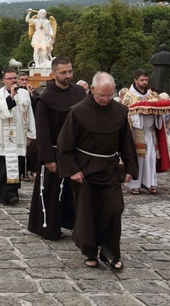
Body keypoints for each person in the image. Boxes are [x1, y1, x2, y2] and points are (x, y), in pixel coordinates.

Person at [57, 72, 138, 270]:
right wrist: (72, 170)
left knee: (114, 209)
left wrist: (130, 167)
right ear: (92, 90)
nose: (106, 99)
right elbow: (64, 144)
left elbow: (126, 142)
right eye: (102, 95)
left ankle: (111, 252)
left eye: (110, 95)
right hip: (84, 171)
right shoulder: (78, 111)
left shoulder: (120, 111)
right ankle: (90, 251)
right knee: (88, 212)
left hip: (109, 168)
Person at [27, 56, 86, 241]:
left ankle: (76, 225)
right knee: (52, 193)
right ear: (54, 74)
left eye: (70, 71)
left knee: (75, 193)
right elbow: (42, 131)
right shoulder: (45, 98)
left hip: (76, 152)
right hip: (54, 151)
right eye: (63, 72)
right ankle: (49, 227)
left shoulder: (79, 92)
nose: (68, 75)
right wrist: (48, 159)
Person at [0, 69, 35, 205]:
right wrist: (12, 96)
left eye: (15, 78)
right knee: (2, 167)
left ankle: (13, 192)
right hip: (3, 138)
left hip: (19, 136)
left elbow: (29, 112)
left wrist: (32, 133)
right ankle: (2, 194)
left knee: (17, 164)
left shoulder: (25, 93)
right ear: (4, 80)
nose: (13, 80)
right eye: (10, 78)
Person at [121, 69, 167, 195]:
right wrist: (140, 112)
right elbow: (126, 114)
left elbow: (159, 110)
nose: (144, 82)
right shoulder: (129, 96)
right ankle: (135, 185)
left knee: (151, 158)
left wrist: (156, 112)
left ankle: (151, 183)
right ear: (135, 80)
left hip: (150, 131)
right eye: (141, 80)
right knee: (138, 159)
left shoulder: (152, 94)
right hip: (137, 132)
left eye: (146, 80)